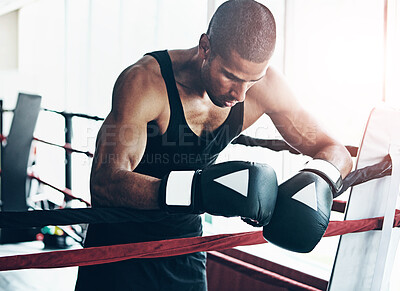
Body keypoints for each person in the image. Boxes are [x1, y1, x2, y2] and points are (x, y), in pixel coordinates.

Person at [75, 0, 353, 290]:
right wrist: (199, 190)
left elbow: (336, 151)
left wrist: (320, 179)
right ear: (205, 47)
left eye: (252, 80)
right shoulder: (145, 82)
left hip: (185, 246)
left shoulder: (266, 87)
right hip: (117, 246)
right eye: (231, 76)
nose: (241, 94)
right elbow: (106, 183)